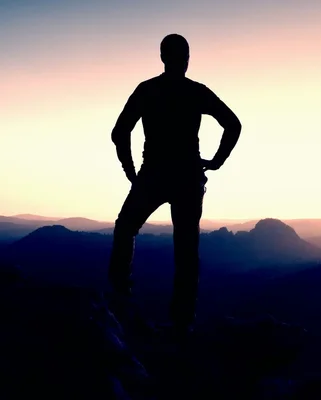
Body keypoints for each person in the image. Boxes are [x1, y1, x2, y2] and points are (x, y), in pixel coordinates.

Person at [107, 33, 242, 335]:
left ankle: (120, 296)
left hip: (152, 173)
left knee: (125, 228)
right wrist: (217, 160)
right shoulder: (197, 92)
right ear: (187, 59)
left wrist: (130, 170)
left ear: (162, 57)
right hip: (188, 176)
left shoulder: (147, 90)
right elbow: (233, 124)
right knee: (186, 248)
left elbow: (119, 132)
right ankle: (182, 322)